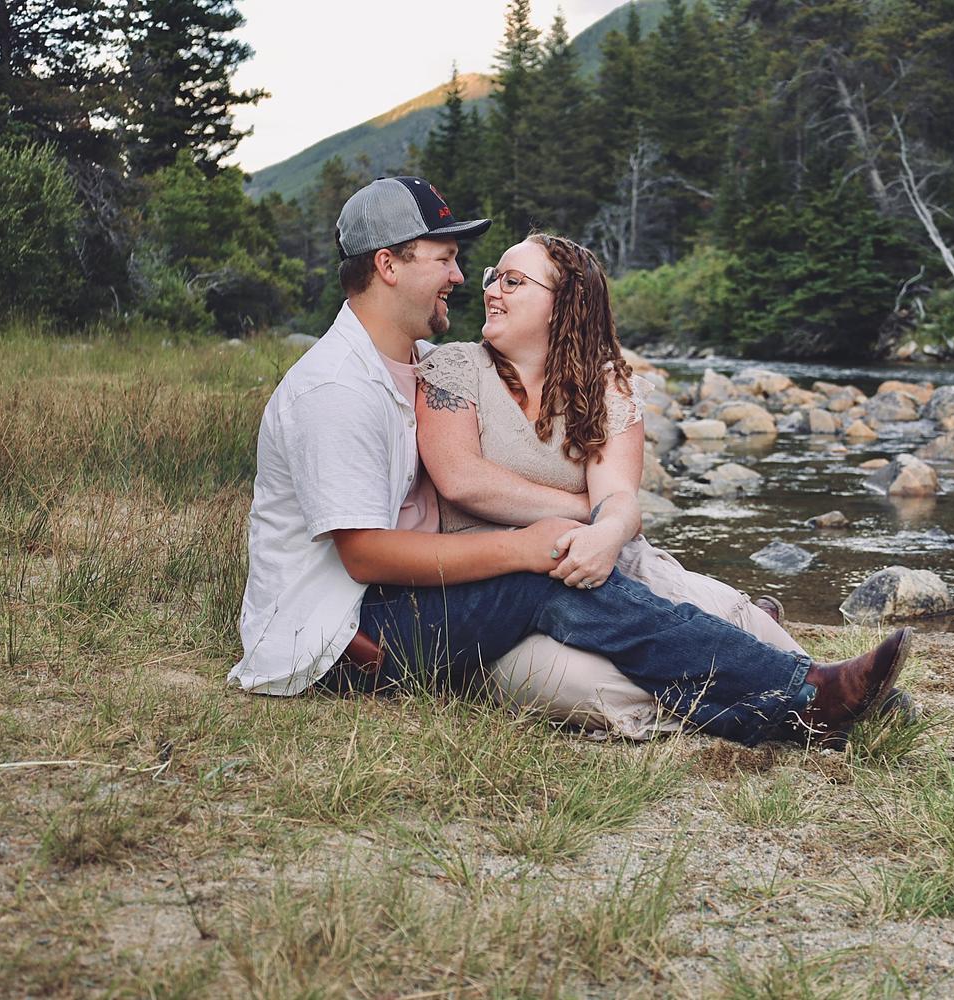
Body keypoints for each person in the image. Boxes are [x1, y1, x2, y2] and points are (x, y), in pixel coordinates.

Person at [227, 175, 909, 747]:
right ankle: (800, 695)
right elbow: (364, 555)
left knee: (574, 581)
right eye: (446, 259)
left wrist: (588, 525)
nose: (463, 278)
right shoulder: (337, 389)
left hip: (402, 605)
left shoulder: (418, 364)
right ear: (388, 264)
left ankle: (791, 689)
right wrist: (529, 544)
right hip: (344, 638)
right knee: (546, 580)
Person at [415, 233, 809, 738]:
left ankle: (822, 692)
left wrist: (607, 533)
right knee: (590, 685)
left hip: (602, 563)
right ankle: (773, 709)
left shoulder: (606, 385)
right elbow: (463, 480)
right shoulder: (454, 368)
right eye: (494, 278)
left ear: (564, 304)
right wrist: (587, 510)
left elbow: (619, 498)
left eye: (512, 281)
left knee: (731, 615)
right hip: (497, 587)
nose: (490, 289)